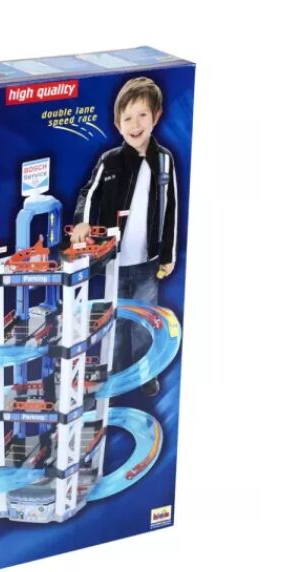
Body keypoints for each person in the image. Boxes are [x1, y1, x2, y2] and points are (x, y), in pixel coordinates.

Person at [71, 76, 179, 396]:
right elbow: (89, 193)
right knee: (114, 322)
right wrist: (82, 223)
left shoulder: (164, 160)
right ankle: (116, 376)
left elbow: (172, 208)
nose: (135, 125)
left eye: (142, 115)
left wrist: (169, 255)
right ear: (118, 124)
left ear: (156, 116)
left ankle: (145, 374)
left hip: (148, 263)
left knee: (145, 323)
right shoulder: (110, 160)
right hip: (113, 263)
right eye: (127, 118)